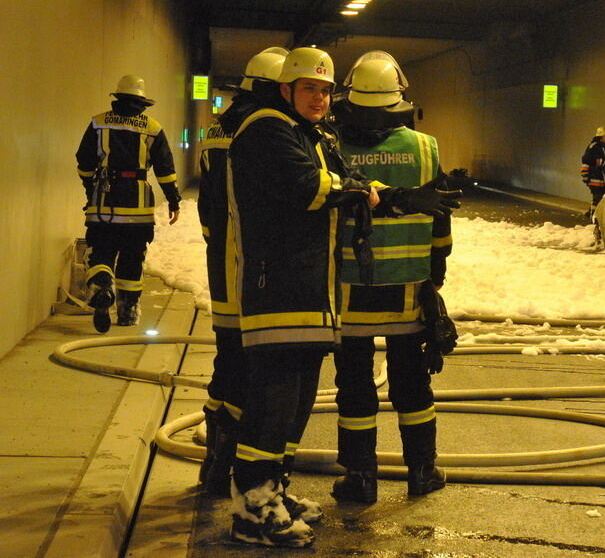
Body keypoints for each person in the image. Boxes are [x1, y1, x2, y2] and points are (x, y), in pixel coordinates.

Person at [227, 47, 461, 547]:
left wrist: (392, 196)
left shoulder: (313, 134)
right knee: (274, 402)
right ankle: (253, 509)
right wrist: (423, 248)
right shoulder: (269, 129)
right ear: (285, 89)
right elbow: (314, 187)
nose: (319, 98)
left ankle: (295, 488)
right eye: (308, 88)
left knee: (304, 399)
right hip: (284, 288)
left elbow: (351, 182)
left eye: (325, 90)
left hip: (322, 291)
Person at [326, 51, 453, 505]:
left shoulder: (330, 145)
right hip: (410, 286)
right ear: (400, 96)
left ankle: (360, 477)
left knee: (354, 384)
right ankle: (422, 471)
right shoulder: (425, 147)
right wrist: (437, 270)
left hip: (348, 288)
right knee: (413, 382)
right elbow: (441, 215)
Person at [196, 47, 287, 497]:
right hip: (258, 267)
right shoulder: (267, 131)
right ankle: (240, 469)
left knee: (227, 356)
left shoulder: (220, 127)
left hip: (222, 262)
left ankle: (215, 462)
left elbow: (207, 206)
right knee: (259, 368)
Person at [75, 75, 181, 333]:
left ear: (118, 98)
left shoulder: (98, 123)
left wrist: (91, 188)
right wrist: (173, 200)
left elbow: (84, 162)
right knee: (133, 258)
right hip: (138, 210)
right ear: (142, 102)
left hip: (104, 206)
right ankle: (128, 311)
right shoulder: (152, 127)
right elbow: (165, 169)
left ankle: (102, 284)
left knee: (100, 251)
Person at [580, 125, 605, 210]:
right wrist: (585, 176)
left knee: (603, 199)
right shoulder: (593, 147)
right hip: (594, 178)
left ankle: (593, 213)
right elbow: (586, 162)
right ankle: (593, 214)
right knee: (598, 198)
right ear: (600, 136)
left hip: (603, 179)